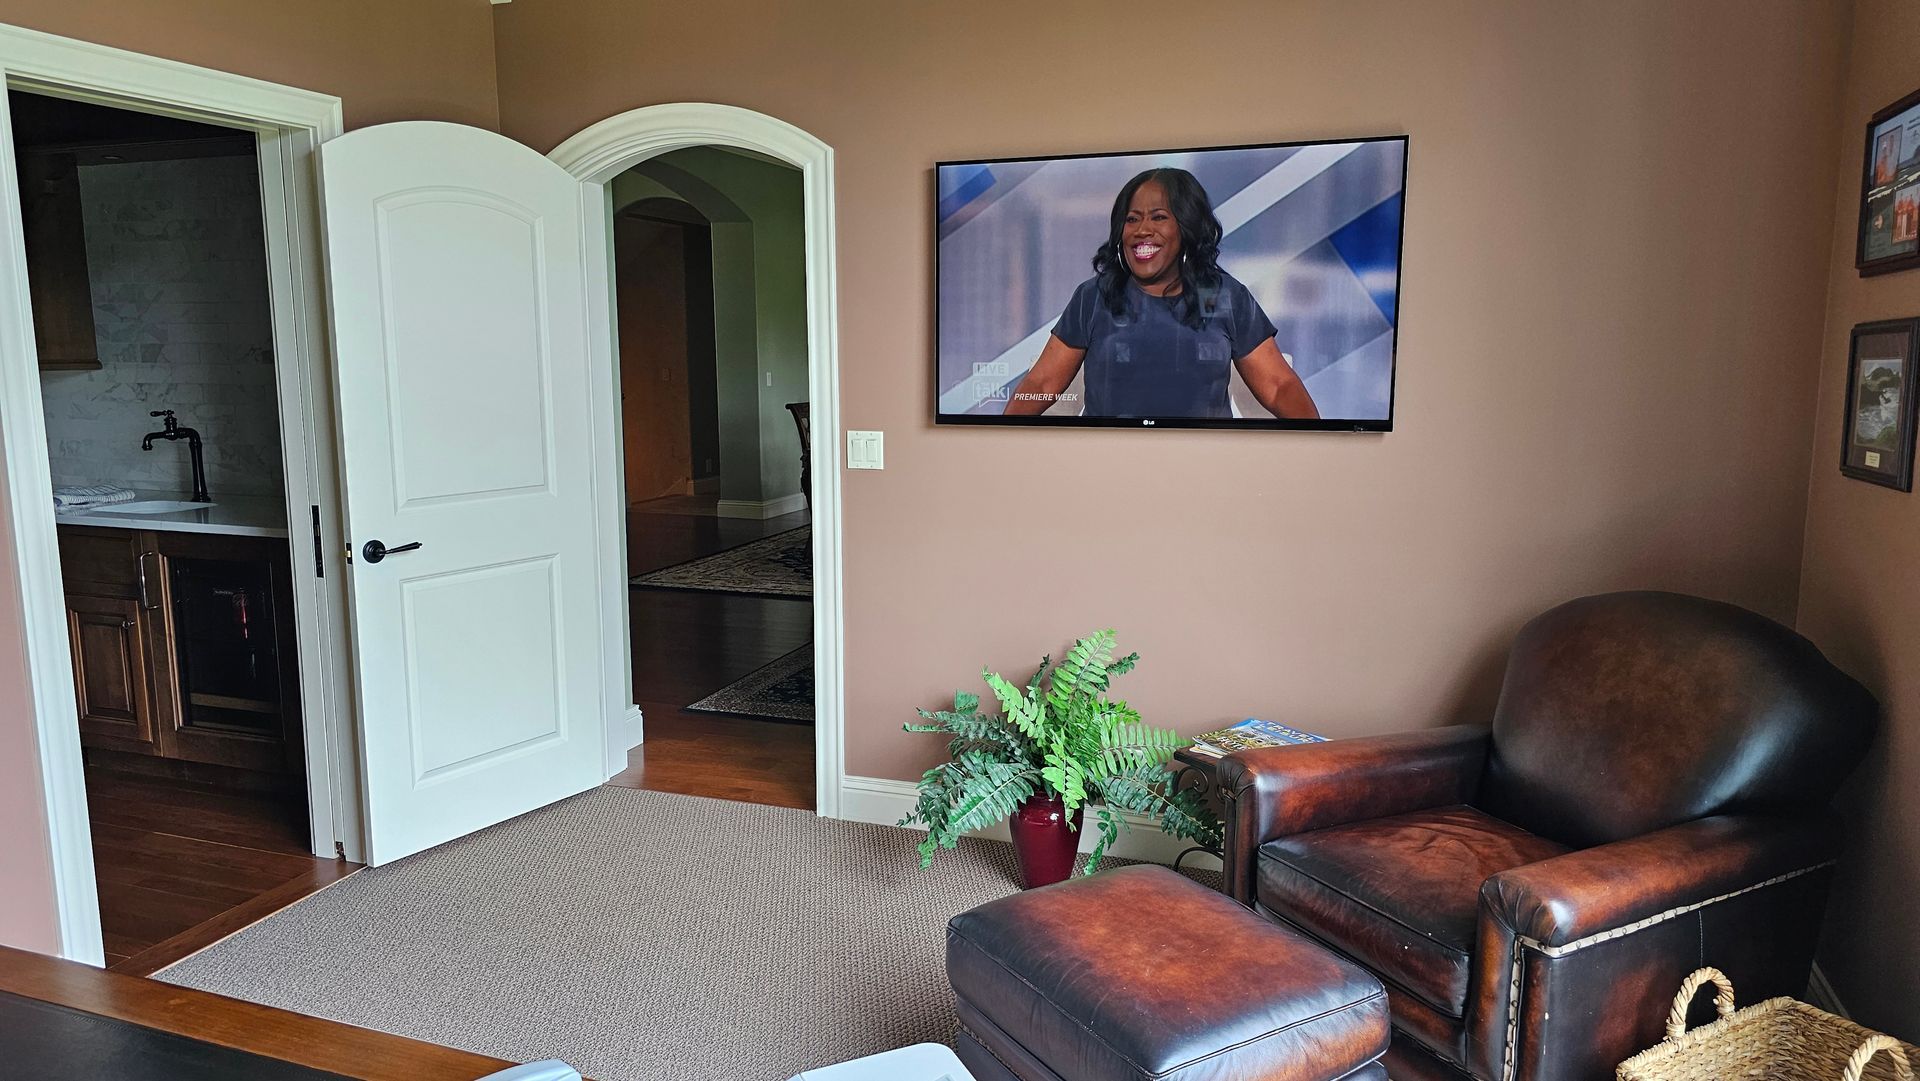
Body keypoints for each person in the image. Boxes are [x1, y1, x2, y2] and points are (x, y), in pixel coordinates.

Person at [1003, 167, 1318, 419]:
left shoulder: (1225, 296)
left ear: (1186, 227)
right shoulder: (1094, 297)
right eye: (1132, 219)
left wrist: (1318, 447)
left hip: (1209, 463)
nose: (1142, 230)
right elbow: (1042, 383)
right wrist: (998, 443)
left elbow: (1278, 386)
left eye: (1158, 217)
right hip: (1105, 461)